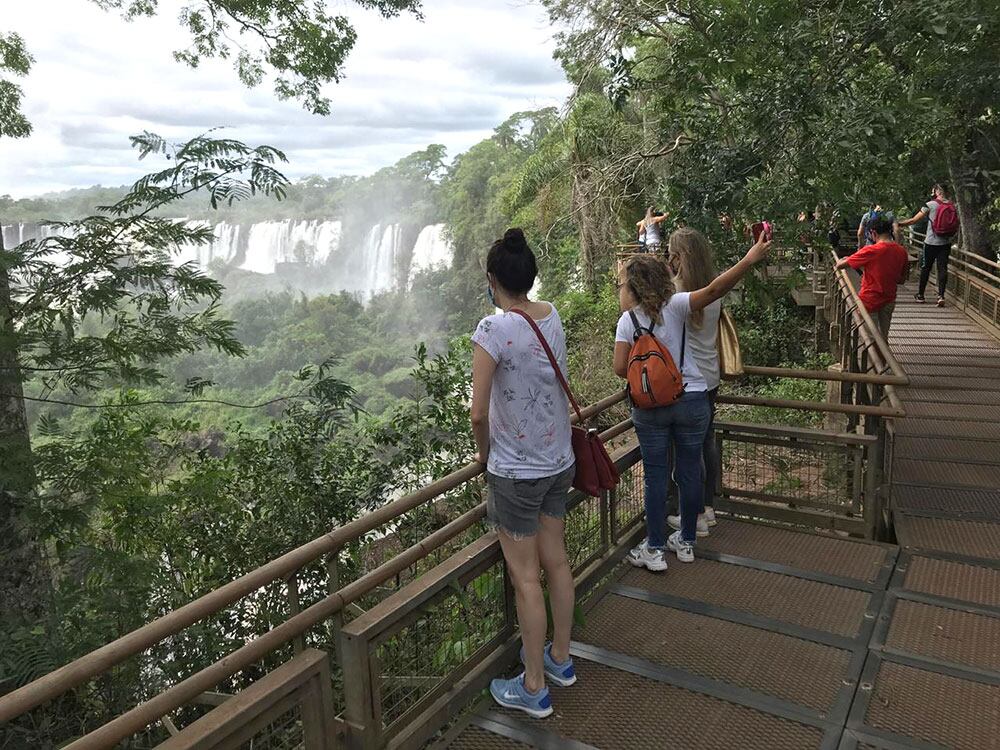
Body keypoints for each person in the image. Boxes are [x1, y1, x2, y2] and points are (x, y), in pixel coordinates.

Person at [614, 232, 772, 567]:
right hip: (693, 398)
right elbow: (715, 289)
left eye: (622, 286)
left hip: (651, 409)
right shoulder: (679, 304)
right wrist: (749, 258)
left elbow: (619, 369)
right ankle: (685, 542)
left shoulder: (627, 322)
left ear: (634, 289)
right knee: (689, 471)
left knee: (656, 475)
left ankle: (654, 549)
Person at [472, 228, 577, 719]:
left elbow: (477, 414)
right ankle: (559, 658)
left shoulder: (493, 331)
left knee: (525, 578)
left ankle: (533, 687)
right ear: (530, 277)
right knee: (555, 561)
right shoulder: (550, 314)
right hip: (559, 460)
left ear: (493, 281)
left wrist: (481, 456)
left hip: (516, 472)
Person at [664, 228, 723, 540]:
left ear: (677, 258)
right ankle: (708, 508)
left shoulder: (676, 296)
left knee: (687, 450)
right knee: (706, 443)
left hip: (686, 382)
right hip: (711, 376)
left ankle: (694, 513)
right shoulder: (714, 290)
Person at [835, 212, 909, 339]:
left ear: (873, 233)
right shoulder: (901, 251)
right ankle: (883, 358)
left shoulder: (871, 250)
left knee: (870, 339)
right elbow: (902, 280)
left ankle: (874, 359)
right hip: (889, 298)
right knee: (883, 337)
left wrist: (849, 258)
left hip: (869, 300)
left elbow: (840, 265)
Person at [898, 183, 957, 307]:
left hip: (930, 242)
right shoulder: (952, 205)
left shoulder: (930, 205)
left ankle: (920, 295)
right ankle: (941, 296)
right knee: (942, 268)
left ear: (937, 191)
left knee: (925, 267)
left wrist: (898, 224)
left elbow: (913, 220)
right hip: (945, 243)